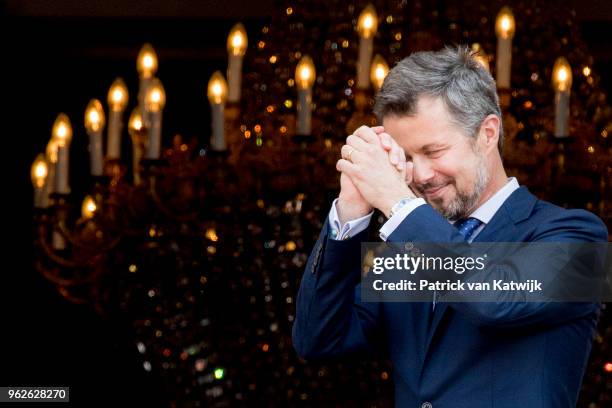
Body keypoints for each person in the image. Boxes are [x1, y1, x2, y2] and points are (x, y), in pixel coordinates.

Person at [292, 45, 608, 407]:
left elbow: (494, 300)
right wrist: (351, 210)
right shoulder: (404, 246)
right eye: (408, 157)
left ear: (487, 134)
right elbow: (318, 340)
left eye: (434, 151)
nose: (422, 174)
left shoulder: (581, 238)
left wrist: (397, 202)